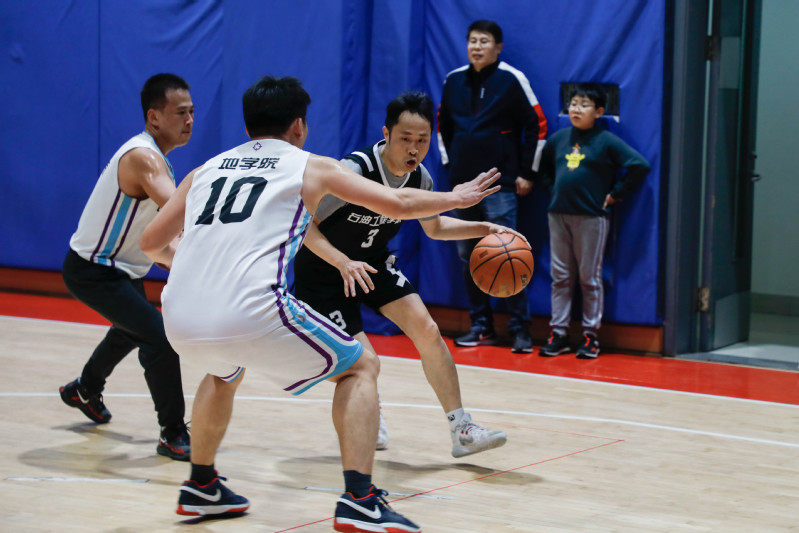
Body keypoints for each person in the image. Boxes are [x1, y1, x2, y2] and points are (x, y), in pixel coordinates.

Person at [139, 76, 500, 531]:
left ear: (248, 125)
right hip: (253, 307)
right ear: (299, 126)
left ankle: (201, 486)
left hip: (179, 315)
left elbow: (150, 243)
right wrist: (459, 197)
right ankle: (360, 499)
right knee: (360, 367)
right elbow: (398, 203)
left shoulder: (204, 170)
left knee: (223, 371)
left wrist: (197, 269)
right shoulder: (312, 166)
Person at [294, 91, 513, 457]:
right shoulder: (354, 170)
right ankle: (369, 412)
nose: (413, 148)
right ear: (386, 133)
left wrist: (486, 229)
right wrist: (341, 261)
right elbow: (302, 225)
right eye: (405, 138)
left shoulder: (420, 179)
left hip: (373, 263)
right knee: (363, 361)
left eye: (422, 140)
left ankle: (462, 429)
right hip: (324, 270)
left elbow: (435, 228)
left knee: (428, 330)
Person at [59, 73, 193, 461]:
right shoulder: (143, 157)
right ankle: (172, 433)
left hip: (121, 270)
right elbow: (181, 212)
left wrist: (189, 264)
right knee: (158, 338)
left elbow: (163, 241)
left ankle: (85, 388)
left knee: (130, 329)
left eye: (192, 112)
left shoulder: (158, 159)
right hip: (93, 270)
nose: (189, 120)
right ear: (154, 117)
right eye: (180, 112)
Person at [437, 19, 548, 354]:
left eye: (484, 41)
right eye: (472, 40)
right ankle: (481, 326)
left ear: (498, 47)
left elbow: (538, 124)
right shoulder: (453, 79)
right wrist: (451, 167)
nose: (477, 47)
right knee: (469, 256)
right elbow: (442, 126)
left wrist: (527, 172)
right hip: (463, 186)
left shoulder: (512, 79)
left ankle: (520, 330)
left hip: (502, 185)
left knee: (509, 253)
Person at [537, 83, 650, 358]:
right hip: (558, 215)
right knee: (560, 278)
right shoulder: (559, 139)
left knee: (589, 278)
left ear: (598, 112)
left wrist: (614, 195)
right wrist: (554, 190)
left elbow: (639, 165)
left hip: (591, 217)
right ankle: (559, 333)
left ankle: (590, 335)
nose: (576, 109)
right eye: (573, 104)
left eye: (584, 105)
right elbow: (543, 169)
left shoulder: (606, 141)